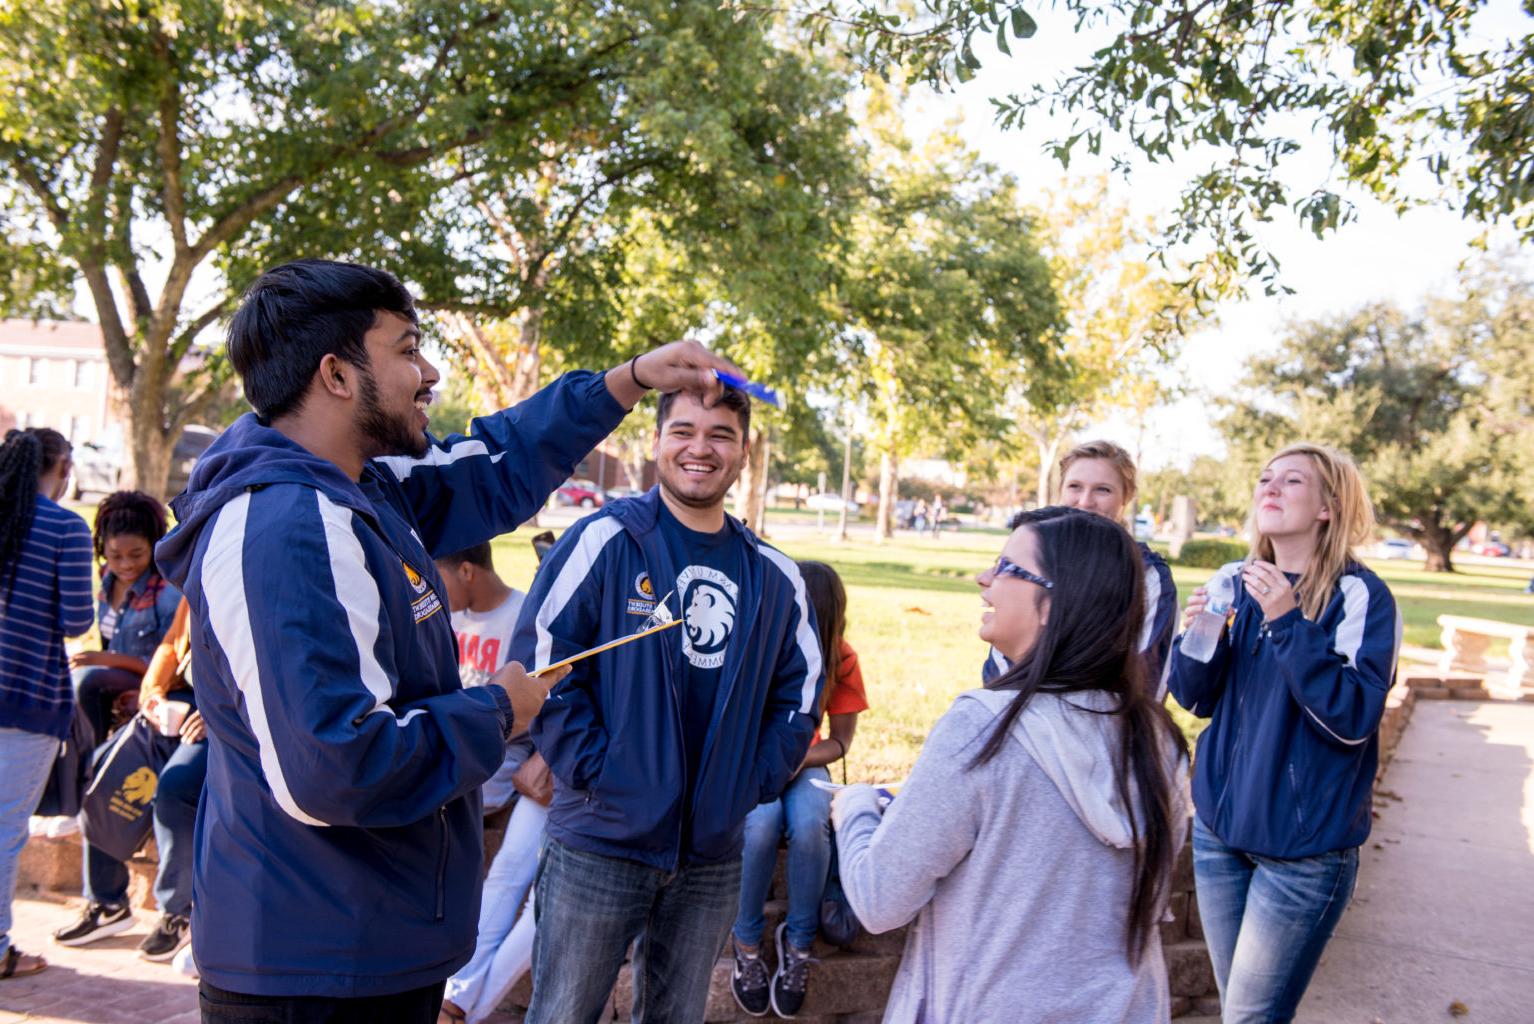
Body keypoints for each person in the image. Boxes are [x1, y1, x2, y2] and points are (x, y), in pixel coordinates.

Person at [152, 258, 738, 1024]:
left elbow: (494, 464)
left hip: (367, 946)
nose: (428, 373)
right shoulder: (288, 527)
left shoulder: (360, 487)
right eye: (406, 349)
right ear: (336, 374)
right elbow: (337, 765)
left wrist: (628, 380)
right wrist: (498, 708)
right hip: (314, 967)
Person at [522, 387, 824, 1024]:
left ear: (744, 452)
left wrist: (753, 781)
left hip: (711, 856)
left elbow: (799, 695)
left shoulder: (774, 575)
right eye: (683, 430)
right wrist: (600, 773)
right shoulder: (604, 541)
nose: (700, 447)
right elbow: (543, 661)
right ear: (656, 442)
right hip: (601, 842)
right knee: (561, 1015)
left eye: (720, 434)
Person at [830, 507, 1188, 1023]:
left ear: (1053, 603)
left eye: (1006, 567)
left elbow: (880, 899)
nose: (984, 578)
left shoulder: (983, 727)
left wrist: (856, 809)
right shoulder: (1159, 740)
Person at [1167, 443, 1400, 1024]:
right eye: (1266, 477)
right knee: (1240, 1012)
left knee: (1250, 1018)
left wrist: (1287, 621)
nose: (1269, 488)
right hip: (1221, 835)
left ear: (1328, 507)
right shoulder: (1231, 580)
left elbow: (1351, 720)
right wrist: (1199, 633)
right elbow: (1194, 695)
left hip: (1304, 852)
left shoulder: (1360, 596)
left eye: (1291, 481)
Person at [731, 560, 868, 1018]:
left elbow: (840, 742)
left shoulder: (841, 657)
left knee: (811, 824)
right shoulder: (757, 646)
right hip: (757, 762)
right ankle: (747, 943)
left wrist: (796, 759)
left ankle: (800, 942)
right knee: (762, 825)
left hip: (806, 762)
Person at [53, 596, 206, 963]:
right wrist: (151, 694)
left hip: (222, 712)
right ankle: (107, 904)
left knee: (176, 788)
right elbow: (172, 643)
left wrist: (220, 714)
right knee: (105, 768)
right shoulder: (196, 569)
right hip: (176, 701)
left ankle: (177, 913)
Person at [434, 543, 547, 1024]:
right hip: (540, 774)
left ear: (465, 570)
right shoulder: (445, 619)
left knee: (547, 906)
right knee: (505, 877)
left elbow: (538, 706)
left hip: (567, 781)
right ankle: (456, 1002)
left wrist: (548, 756)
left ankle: (458, 1005)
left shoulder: (527, 619)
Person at [0, 428, 93, 982]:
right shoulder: (64, 527)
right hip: (27, 698)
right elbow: (77, 621)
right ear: (60, 468)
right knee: (5, 832)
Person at [985, 440, 1177, 694]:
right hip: (1016, 710)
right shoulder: (1034, 558)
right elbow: (1002, 658)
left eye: (1103, 490)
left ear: (1126, 497)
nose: (1085, 502)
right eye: (1075, 486)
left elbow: (1146, 679)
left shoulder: (1148, 575)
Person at [71, 490, 182, 747]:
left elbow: (171, 665)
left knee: (88, 681)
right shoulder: (106, 582)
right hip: (112, 677)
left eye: (136, 554)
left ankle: (94, 760)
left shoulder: (166, 594)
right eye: (115, 555)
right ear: (102, 547)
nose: (125, 565)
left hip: (156, 682)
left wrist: (106, 660)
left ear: (153, 545)